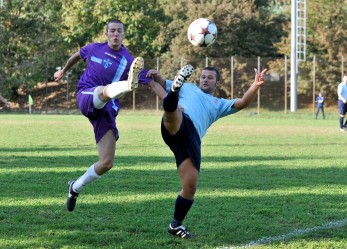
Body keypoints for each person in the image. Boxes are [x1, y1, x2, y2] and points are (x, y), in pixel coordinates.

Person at [54, 19, 163, 212]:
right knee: (103, 91)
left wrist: (171, 102)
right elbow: (77, 56)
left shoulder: (129, 61)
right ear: (106, 34)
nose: (115, 34)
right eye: (112, 31)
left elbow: (153, 83)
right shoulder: (94, 48)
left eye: (119, 31)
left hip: (107, 111)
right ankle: (127, 85)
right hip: (87, 94)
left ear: (123, 34)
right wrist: (63, 70)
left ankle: (75, 187)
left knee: (106, 162)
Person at [146, 65, 267, 238]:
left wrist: (255, 85)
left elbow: (241, 103)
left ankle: (175, 225)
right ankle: (173, 95)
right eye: (203, 76)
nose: (205, 79)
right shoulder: (188, 88)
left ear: (217, 83)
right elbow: (160, 81)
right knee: (173, 111)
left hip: (191, 140)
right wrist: (156, 76)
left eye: (210, 78)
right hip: (180, 122)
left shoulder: (218, 104)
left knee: (190, 186)